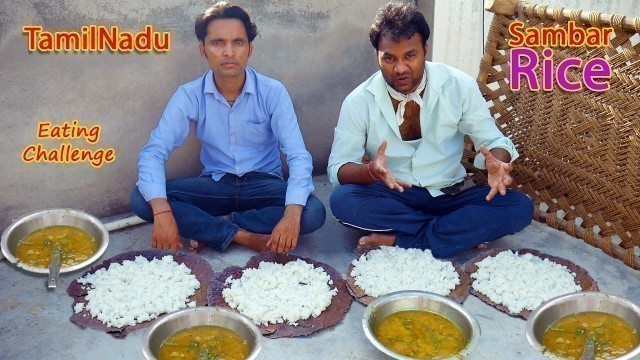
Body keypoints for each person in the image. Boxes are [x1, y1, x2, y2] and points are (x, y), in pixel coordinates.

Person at [327, 2, 533, 258]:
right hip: (395, 195)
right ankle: (453, 235)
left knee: (519, 207)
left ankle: (402, 240)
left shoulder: (459, 86)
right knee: (343, 201)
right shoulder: (359, 101)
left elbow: (492, 139)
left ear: (425, 49)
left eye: (409, 56)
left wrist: (498, 161)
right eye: (389, 58)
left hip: (450, 195)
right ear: (377, 56)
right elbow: (338, 169)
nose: (400, 68)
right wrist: (371, 171)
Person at [130, 1, 326, 254]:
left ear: (249, 49)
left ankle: (216, 227)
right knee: (141, 199)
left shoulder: (272, 92)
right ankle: (244, 236)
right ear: (203, 50)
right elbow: (154, 152)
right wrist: (163, 211)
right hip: (216, 186)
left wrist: (291, 215)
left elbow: (298, 155)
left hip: (263, 186)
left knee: (312, 213)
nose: (229, 52)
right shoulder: (189, 95)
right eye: (218, 43)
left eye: (238, 42)